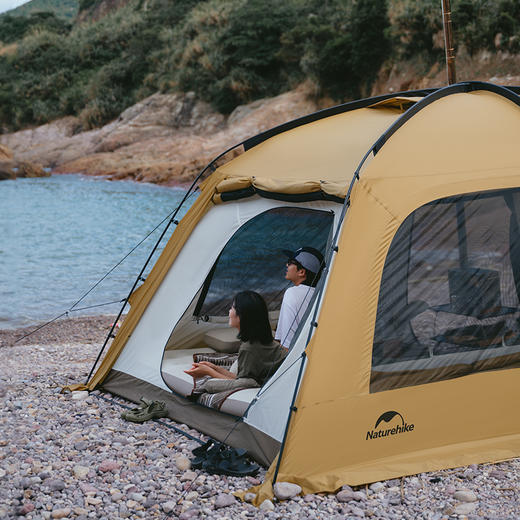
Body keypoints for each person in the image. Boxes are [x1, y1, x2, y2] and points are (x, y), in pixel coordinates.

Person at [184, 290, 287, 393]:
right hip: (258, 377)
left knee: (209, 385)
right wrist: (214, 367)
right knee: (235, 367)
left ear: (242, 315)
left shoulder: (249, 348)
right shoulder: (258, 339)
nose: (229, 312)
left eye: (232, 308)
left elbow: (243, 383)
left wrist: (209, 372)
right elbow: (240, 378)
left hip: (270, 382)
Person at [275, 246, 324, 349]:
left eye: (290, 262)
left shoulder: (292, 293)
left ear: (301, 272)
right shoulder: (323, 293)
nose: (286, 264)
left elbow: (286, 345)